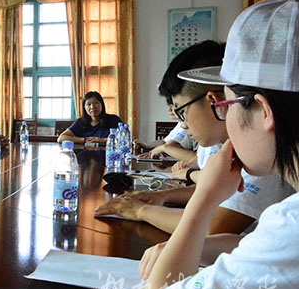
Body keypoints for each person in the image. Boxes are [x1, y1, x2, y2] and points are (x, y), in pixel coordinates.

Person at [135, 0, 299, 289]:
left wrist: (205, 196)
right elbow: (265, 249)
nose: (225, 119)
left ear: (263, 111)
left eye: (228, 106)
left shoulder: (292, 225)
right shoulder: (285, 229)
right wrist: (197, 246)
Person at [95, 40, 293, 235]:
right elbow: (212, 191)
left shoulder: (261, 152)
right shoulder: (231, 148)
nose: (183, 124)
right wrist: (161, 197)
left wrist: (142, 211)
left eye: (182, 111)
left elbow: (214, 226)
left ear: (216, 101)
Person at [57, 91, 122, 144]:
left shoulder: (113, 119)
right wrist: (84, 140)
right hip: (85, 154)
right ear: (84, 107)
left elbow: (124, 138)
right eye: (88, 104)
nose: (92, 107)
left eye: (96, 103)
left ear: (102, 105)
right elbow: (61, 138)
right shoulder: (80, 122)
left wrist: (102, 140)